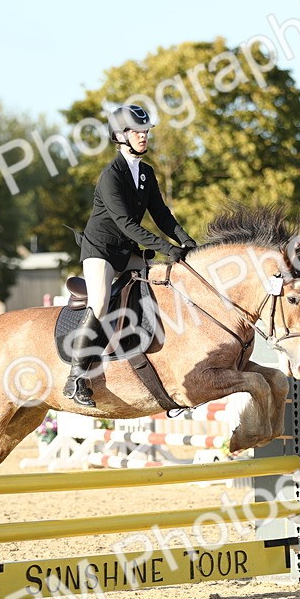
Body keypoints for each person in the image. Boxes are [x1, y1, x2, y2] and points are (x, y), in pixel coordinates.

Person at [64, 104, 198, 408]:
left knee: (168, 276)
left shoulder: (146, 173)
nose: (143, 136)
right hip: (101, 251)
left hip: (127, 252)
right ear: (119, 135)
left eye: (145, 131)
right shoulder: (111, 175)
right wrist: (167, 248)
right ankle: (75, 377)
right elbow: (126, 224)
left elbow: (161, 214)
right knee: (98, 301)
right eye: (137, 132)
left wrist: (186, 241)